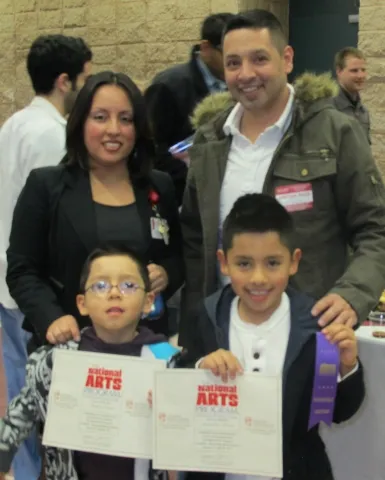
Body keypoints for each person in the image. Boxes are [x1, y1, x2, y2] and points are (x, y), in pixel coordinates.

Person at [179, 9, 385, 348]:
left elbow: (375, 227)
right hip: (224, 342)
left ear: (287, 58)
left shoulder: (334, 132)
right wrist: (195, 325)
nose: (246, 74)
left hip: (307, 335)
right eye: (233, 63)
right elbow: (193, 238)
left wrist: (354, 294)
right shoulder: (209, 140)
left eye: (259, 59)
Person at [183, 193, 364, 480]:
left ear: (293, 262)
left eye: (272, 263)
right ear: (223, 262)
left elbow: (335, 411)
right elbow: (181, 390)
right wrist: (201, 368)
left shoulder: (317, 326)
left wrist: (347, 367)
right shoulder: (205, 317)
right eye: (244, 264)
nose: (258, 278)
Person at [6, 71, 184, 352]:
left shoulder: (159, 185)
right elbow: (22, 270)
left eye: (125, 119)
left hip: (145, 348)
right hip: (69, 346)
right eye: (100, 117)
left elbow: (176, 255)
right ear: (80, 123)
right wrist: (52, 318)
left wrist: (166, 273)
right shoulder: (46, 186)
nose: (113, 129)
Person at [0, 246, 180, 480]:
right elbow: (21, 413)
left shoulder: (166, 361)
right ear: (82, 303)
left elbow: (184, 432)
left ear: (148, 301)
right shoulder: (59, 360)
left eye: (128, 285)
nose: (114, 293)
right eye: (101, 286)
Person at [0, 34, 92, 480]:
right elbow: (54, 219)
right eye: (85, 80)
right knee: (38, 394)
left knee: (21, 384)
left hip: (8, 279)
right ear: (64, 81)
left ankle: (24, 469)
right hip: (29, 285)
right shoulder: (50, 136)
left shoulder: (15, 123)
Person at [145, 13, 233, 205]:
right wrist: (195, 177)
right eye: (228, 53)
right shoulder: (168, 86)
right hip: (180, 200)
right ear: (206, 48)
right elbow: (151, 151)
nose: (234, 62)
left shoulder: (239, 85)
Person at [333, 47, 370, 142]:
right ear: (339, 71)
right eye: (354, 70)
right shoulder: (327, 108)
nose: (360, 75)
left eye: (363, 70)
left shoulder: (363, 112)